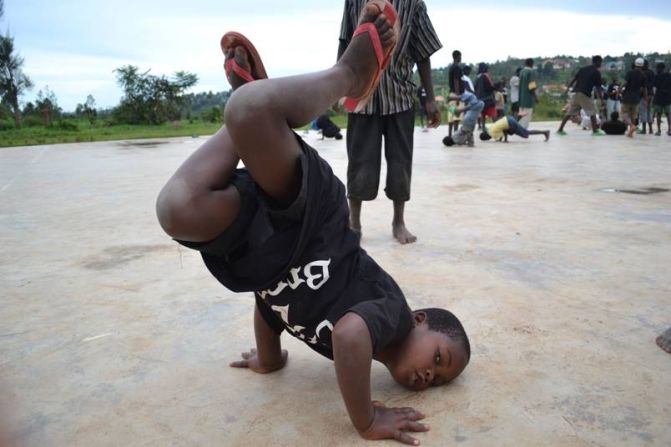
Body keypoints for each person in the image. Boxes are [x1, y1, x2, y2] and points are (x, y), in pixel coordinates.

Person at [155, 6, 470, 444]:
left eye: (436, 379)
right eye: (439, 358)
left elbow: (274, 306)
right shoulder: (393, 317)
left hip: (266, 252)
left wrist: (270, 358)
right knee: (248, 109)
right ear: (420, 320)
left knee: (176, 210)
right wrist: (366, 420)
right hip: (314, 224)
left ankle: (256, 120)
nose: (429, 374)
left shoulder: (359, 345)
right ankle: (350, 75)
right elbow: (350, 334)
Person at [338, 0, 442, 245]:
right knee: (359, 161)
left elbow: (423, 51)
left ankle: (399, 222)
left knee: (400, 162)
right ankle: (354, 223)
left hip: (401, 96)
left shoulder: (413, 4)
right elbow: (345, 42)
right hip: (362, 96)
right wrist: (339, 86)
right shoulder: (353, 1)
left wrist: (429, 97)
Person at [557, 55, 606, 136]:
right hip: (585, 94)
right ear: (598, 62)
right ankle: (595, 131)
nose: (601, 64)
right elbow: (598, 88)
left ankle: (560, 130)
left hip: (576, 93)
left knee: (570, 112)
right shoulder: (596, 72)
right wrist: (601, 100)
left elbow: (574, 79)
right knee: (592, 111)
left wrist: (567, 89)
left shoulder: (583, 69)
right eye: (601, 62)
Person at [621, 58, 647, 138]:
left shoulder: (629, 73)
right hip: (636, 98)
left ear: (635, 64)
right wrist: (645, 99)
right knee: (634, 115)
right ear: (642, 65)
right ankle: (630, 133)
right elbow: (643, 89)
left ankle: (631, 126)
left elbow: (625, 83)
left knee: (624, 114)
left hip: (627, 97)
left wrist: (619, 90)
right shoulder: (643, 75)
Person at [479, 113, 550, 143]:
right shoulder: (489, 128)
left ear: (487, 138)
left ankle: (545, 132)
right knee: (511, 131)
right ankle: (518, 117)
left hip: (510, 123)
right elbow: (502, 129)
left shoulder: (492, 134)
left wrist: (505, 140)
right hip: (508, 118)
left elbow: (504, 131)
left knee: (526, 133)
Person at [474, 62, 496, 131]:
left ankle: (483, 128)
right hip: (488, 99)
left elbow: (474, 88)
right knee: (493, 114)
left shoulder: (477, 77)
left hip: (480, 100)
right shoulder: (486, 76)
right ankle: (497, 128)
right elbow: (490, 86)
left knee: (483, 115)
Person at [652, 62, 671, 136]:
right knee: (668, 114)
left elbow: (654, 88)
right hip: (667, 97)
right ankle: (670, 130)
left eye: (657, 68)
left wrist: (654, 98)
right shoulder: (669, 76)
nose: (656, 69)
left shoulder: (656, 76)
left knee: (658, 114)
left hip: (659, 97)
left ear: (660, 68)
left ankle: (659, 131)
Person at [518, 58, 538, 128]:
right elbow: (531, 86)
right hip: (528, 98)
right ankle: (523, 131)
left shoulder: (521, 72)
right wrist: (535, 97)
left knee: (521, 116)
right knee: (526, 117)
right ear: (531, 64)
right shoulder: (531, 72)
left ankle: (519, 129)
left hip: (521, 99)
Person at [639, 59, 656, 134]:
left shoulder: (641, 73)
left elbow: (641, 85)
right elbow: (654, 83)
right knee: (649, 111)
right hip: (651, 94)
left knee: (643, 111)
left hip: (644, 95)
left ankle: (644, 129)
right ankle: (651, 129)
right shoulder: (652, 72)